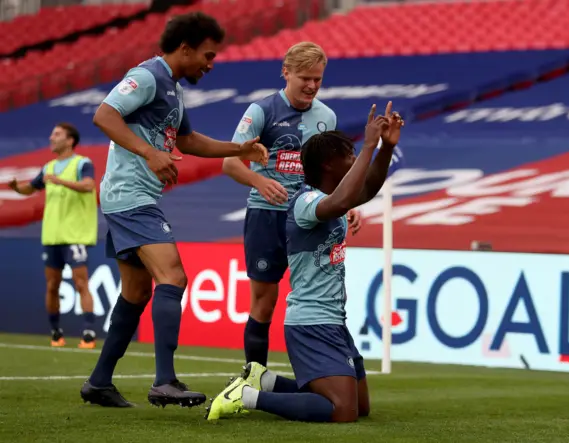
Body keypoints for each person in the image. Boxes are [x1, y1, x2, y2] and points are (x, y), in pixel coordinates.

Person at [79, 11, 268, 409]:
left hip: (135, 197)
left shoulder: (174, 89)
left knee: (136, 292)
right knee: (175, 276)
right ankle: (165, 381)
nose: (210, 64)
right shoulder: (148, 76)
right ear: (185, 48)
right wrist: (149, 153)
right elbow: (104, 114)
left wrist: (241, 149)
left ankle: (98, 382)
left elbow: (188, 140)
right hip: (130, 196)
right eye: (208, 55)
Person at [206, 102, 404, 423]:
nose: (355, 163)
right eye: (349, 158)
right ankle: (248, 396)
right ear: (328, 165)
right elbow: (341, 200)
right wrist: (368, 144)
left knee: (360, 407)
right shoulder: (305, 201)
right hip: (311, 322)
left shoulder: (330, 198)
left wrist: (385, 148)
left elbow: (365, 188)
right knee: (342, 411)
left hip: (333, 320)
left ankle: (265, 380)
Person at [222, 41, 362, 368]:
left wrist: (348, 203)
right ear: (286, 73)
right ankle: (253, 376)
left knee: (323, 297)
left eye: (318, 79)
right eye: (305, 78)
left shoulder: (326, 115)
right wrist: (259, 180)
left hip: (311, 218)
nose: (312, 86)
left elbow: (336, 170)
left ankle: (325, 371)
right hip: (266, 216)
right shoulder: (261, 111)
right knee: (264, 302)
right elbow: (229, 163)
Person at [9, 123, 98, 349]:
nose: (51, 138)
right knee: (52, 285)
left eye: (56, 134)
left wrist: (60, 181)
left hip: (75, 234)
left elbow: (88, 186)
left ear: (70, 141)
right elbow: (32, 187)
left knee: (81, 282)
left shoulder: (82, 163)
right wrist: (17, 189)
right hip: (52, 235)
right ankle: (56, 332)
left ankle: (88, 332)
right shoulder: (49, 167)